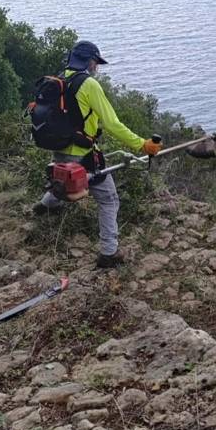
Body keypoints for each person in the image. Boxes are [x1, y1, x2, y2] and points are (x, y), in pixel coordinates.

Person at [33, 40, 162, 268]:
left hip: (59, 149)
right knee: (109, 199)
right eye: (96, 63)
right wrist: (142, 145)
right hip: (83, 154)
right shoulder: (89, 85)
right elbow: (112, 124)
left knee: (62, 180)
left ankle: (44, 206)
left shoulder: (61, 79)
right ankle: (109, 253)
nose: (97, 67)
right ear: (90, 62)